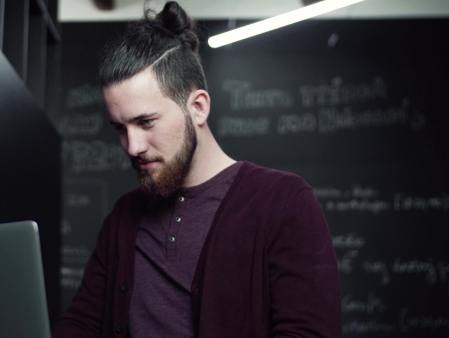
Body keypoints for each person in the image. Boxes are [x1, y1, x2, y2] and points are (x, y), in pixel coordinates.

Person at [52, 1, 342, 337]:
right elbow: (82, 322)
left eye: (146, 122)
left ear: (198, 107)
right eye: (120, 127)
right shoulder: (124, 216)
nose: (132, 146)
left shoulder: (285, 202)